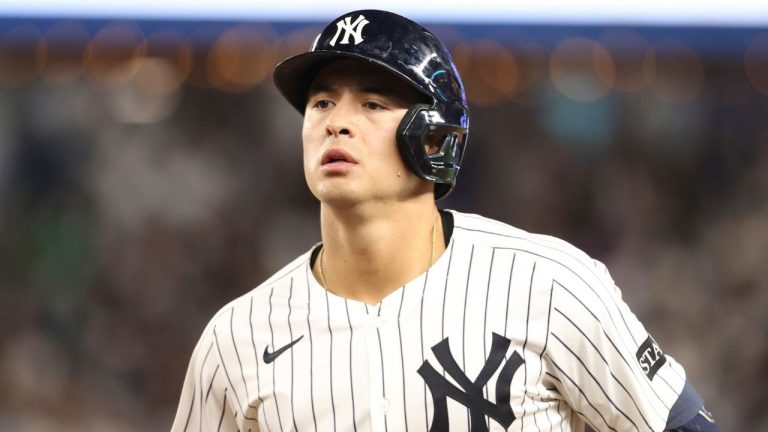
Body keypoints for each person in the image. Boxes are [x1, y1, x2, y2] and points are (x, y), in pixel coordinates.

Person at [171, 9, 719, 432]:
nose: (337, 122)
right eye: (320, 103)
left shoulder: (549, 285)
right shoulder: (235, 338)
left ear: (435, 139)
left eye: (372, 104)